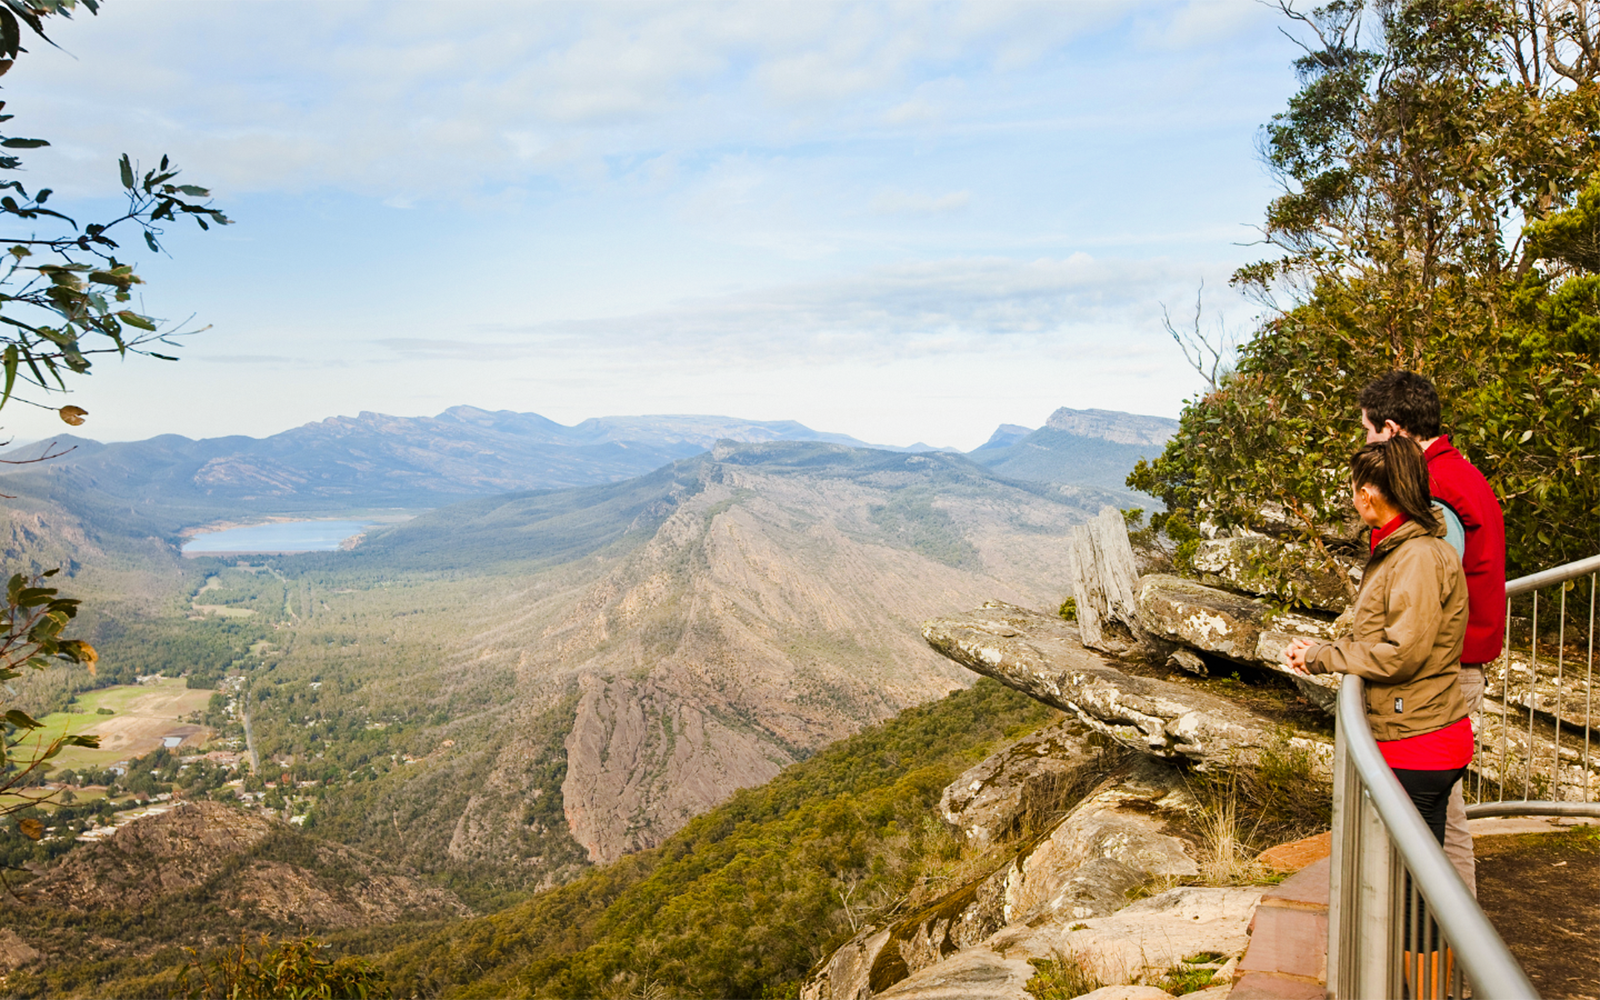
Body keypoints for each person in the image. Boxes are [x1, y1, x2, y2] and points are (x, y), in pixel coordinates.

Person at [1358, 370, 1505, 892]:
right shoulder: (1462, 473)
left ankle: (1443, 940)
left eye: (1371, 434)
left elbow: (1427, 590)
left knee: (1438, 826)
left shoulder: (1433, 489)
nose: (1368, 446)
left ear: (1394, 429)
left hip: (1439, 676)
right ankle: (1445, 935)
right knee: (1442, 817)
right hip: (1461, 663)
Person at [1284, 437, 1472, 845]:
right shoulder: (1406, 548)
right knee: (1417, 874)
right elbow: (1386, 632)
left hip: (1417, 739)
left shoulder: (1416, 557)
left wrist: (1322, 657)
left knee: (1406, 881)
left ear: (1367, 496)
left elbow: (1402, 654)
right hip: (1422, 734)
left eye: (1354, 491)